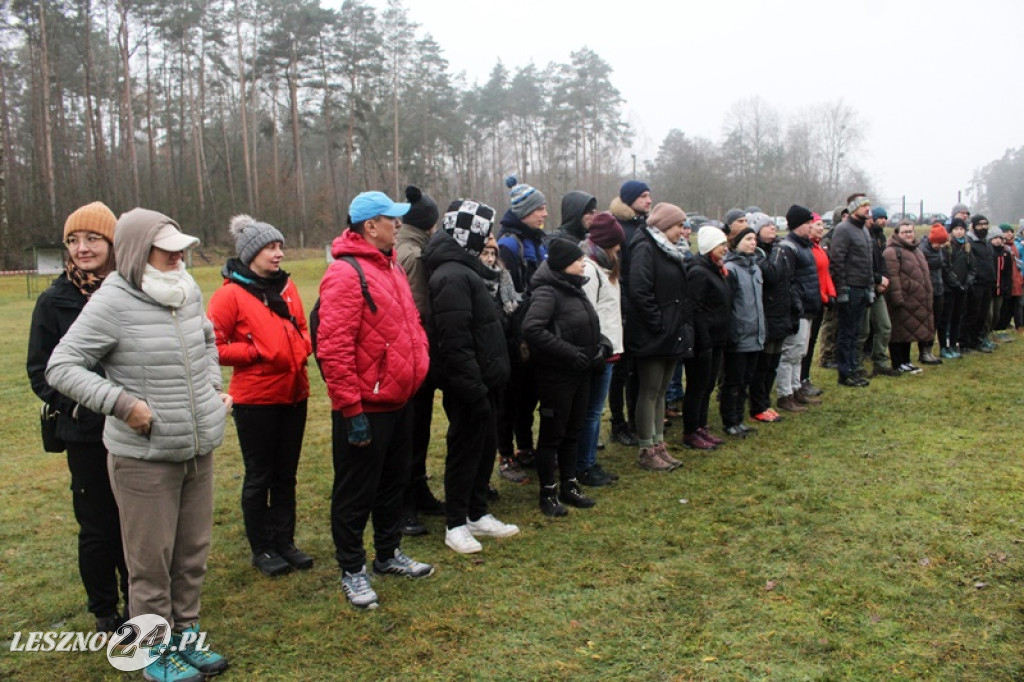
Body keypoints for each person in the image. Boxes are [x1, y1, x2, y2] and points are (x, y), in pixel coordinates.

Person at [46, 208, 230, 679]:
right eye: (166, 250)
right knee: (150, 562)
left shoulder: (186, 290)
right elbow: (61, 366)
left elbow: (208, 339)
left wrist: (210, 389)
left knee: (192, 552)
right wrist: (125, 405)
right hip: (144, 459)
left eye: (180, 249)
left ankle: (187, 633)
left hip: (197, 447)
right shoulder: (112, 301)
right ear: (136, 251)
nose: (178, 256)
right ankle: (153, 650)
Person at [318, 191, 433, 610]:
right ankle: (352, 569)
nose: (398, 225)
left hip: (400, 401)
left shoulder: (390, 267)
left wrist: (417, 361)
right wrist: (352, 410)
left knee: (393, 484)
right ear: (370, 226)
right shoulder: (345, 274)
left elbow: (409, 323)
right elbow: (333, 348)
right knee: (355, 493)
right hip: (365, 408)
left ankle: (388, 554)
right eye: (391, 219)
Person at [26, 202, 129, 634]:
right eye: (73, 240)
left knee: (136, 522)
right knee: (98, 525)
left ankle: (142, 599)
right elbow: (40, 370)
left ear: (112, 242)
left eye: (92, 239)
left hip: (133, 426)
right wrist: (79, 405)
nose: (82, 248)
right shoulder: (55, 300)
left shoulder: (130, 290)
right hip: (86, 433)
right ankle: (105, 609)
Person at [207, 214, 313, 577]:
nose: (278, 253)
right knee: (260, 475)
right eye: (271, 247)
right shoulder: (229, 295)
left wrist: (300, 349)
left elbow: (301, 328)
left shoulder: (286, 287)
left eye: (280, 246)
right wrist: (256, 353)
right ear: (251, 253)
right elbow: (213, 347)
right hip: (255, 401)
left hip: (295, 394)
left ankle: (285, 542)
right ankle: (262, 548)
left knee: (287, 475)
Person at [422, 199, 519, 553]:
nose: (491, 238)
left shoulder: (467, 269)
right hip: (469, 385)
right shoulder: (451, 275)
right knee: (464, 451)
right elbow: (455, 341)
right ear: (471, 235)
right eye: (486, 231)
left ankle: (478, 513)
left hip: (486, 381)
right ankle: (456, 524)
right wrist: (473, 388)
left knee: (483, 448)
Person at [523, 239, 605, 515]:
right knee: (552, 434)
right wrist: (570, 353)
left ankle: (569, 485)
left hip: (580, 372)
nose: (583, 263)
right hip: (557, 376)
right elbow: (532, 329)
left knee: (573, 430)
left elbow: (587, 323)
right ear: (562, 265)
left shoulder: (574, 288)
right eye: (577, 260)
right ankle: (548, 492)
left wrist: (600, 346)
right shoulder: (548, 292)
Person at [395, 185, 445, 536]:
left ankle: (418, 491)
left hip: (417, 355)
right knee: (410, 432)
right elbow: (415, 309)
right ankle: (404, 506)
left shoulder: (413, 247)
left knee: (419, 429)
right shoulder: (412, 254)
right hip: (412, 355)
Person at [626, 202, 691, 471]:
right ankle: (646, 448)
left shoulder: (673, 252)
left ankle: (659, 444)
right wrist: (658, 324)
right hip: (652, 334)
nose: (683, 231)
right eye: (679, 226)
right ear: (664, 226)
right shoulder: (645, 248)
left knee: (662, 390)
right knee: (649, 391)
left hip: (671, 332)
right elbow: (640, 291)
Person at [495, 176, 548, 481]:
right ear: (524, 212)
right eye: (539, 208)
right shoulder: (509, 245)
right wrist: (518, 337)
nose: (544, 213)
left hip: (533, 329)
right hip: (515, 334)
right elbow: (508, 295)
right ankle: (505, 456)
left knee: (528, 395)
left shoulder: (538, 240)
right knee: (509, 399)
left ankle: (526, 448)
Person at [577, 212, 626, 485]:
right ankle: (583, 465)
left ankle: (589, 463)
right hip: (598, 352)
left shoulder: (606, 266)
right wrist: (600, 347)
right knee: (591, 411)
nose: (619, 248)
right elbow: (588, 313)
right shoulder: (590, 269)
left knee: (595, 411)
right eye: (616, 243)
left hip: (609, 349)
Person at [607, 180, 652, 446]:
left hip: (640, 308)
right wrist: (624, 306)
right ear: (630, 199)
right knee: (621, 371)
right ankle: (617, 423)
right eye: (643, 196)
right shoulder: (620, 229)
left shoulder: (644, 227)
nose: (648, 200)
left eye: (649, 195)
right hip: (624, 309)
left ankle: (636, 418)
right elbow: (618, 272)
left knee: (637, 369)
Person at [682, 226, 732, 449]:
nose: (725, 248)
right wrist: (704, 342)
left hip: (717, 339)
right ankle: (691, 430)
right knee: (697, 387)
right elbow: (695, 310)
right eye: (721, 245)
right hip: (703, 342)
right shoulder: (699, 273)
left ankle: (702, 426)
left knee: (708, 385)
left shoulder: (715, 269)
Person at [773, 205, 822, 412]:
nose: (811, 227)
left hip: (808, 306)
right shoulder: (789, 248)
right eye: (807, 224)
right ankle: (785, 394)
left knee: (800, 351)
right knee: (791, 352)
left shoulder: (804, 246)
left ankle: (796, 388)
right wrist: (797, 303)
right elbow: (789, 280)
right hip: (798, 308)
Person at [720, 225, 765, 436]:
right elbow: (728, 305)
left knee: (746, 380)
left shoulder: (756, 268)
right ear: (736, 242)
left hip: (755, 334)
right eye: (748, 239)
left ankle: (739, 419)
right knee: (733, 381)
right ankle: (729, 421)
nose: (753, 243)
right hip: (739, 335)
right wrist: (732, 332)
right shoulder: (730, 269)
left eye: (754, 239)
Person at [829, 194, 876, 387]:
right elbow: (837, 261)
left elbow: (869, 262)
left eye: (868, 206)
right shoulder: (843, 229)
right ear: (854, 208)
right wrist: (842, 291)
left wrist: (871, 287)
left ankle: (854, 368)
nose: (868, 209)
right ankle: (844, 372)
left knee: (856, 332)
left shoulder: (864, 231)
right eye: (864, 206)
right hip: (850, 288)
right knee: (846, 333)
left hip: (863, 288)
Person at [749, 214, 792, 419]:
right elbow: (772, 275)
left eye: (772, 224)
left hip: (780, 313)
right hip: (766, 315)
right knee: (762, 364)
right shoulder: (759, 253)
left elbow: (787, 279)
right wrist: (775, 252)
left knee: (773, 361)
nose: (772, 228)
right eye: (766, 226)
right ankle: (758, 405)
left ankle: (766, 402)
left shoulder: (778, 250)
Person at [883, 220, 933, 374]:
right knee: (898, 333)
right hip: (902, 298)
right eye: (905, 232)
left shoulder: (916, 250)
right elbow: (893, 276)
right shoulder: (892, 251)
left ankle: (906, 361)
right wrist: (897, 297)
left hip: (916, 298)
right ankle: (898, 362)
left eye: (911, 231)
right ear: (897, 234)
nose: (909, 234)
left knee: (909, 332)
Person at [800, 213, 836, 396]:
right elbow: (811, 279)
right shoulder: (808, 250)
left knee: (812, 341)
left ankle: (805, 377)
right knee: (804, 344)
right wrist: (823, 297)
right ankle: (801, 379)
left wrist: (832, 294)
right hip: (812, 300)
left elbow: (825, 274)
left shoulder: (819, 248)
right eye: (817, 225)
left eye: (822, 225)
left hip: (820, 301)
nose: (821, 228)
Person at [860, 207, 899, 377]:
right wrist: (877, 280)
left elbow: (881, 261)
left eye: (885, 217)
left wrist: (885, 279)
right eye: (879, 218)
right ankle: (857, 364)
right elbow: (862, 264)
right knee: (862, 331)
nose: (882, 221)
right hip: (866, 286)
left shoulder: (880, 237)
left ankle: (880, 361)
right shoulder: (864, 237)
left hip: (878, 288)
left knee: (885, 327)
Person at [960, 214, 996, 352]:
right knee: (971, 314)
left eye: (985, 224)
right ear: (973, 226)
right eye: (980, 225)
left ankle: (976, 340)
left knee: (982, 314)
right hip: (976, 284)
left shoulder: (987, 242)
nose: (983, 227)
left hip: (987, 283)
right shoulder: (969, 242)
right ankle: (964, 342)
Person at [940, 218, 973, 357]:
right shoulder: (947, 247)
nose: (959, 232)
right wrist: (956, 284)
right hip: (949, 289)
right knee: (946, 318)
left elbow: (972, 267)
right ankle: (944, 346)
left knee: (957, 318)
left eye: (961, 229)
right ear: (951, 231)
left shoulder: (967, 246)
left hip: (963, 289)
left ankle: (953, 345)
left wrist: (967, 283)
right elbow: (945, 268)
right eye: (956, 229)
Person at [918, 223, 949, 364]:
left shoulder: (940, 250)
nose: (939, 246)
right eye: (938, 242)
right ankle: (923, 351)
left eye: (942, 243)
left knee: (935, 321)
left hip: (939, 289)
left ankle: (929, 349)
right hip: (926, 290)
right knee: (926, 322)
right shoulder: (922, 250)